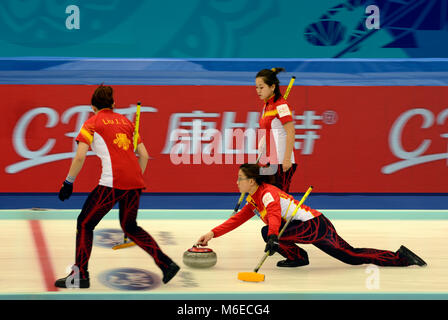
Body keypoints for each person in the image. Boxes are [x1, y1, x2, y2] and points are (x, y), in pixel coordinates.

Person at [55, 85, 180, 288]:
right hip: (135, 182)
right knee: (130, 227)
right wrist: (135, 179)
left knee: (85, 223)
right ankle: (167, 264)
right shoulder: (127, 122)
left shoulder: (91, 123)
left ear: (92, 106)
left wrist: (68, 182)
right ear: (114, 104)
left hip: (112, 182)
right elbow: (145, 155)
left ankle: (80, 275)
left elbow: (80, 157)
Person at [197, 163, 427, 268]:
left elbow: (275, 215)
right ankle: (298, 258)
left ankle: (401, 258)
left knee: (349, 255)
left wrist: (274, 236)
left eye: (240, 178)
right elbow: (236, 220)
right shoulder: (253, 199)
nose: (236, 182)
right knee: (350, 255)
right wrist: (211, 234)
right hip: (304, 226)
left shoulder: (267, 194)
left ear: (252, 181)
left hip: (315, 225)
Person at [255, 68, 297, 192]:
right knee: (261, 193)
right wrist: (262, 147)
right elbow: (268, 131)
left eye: (261, 87)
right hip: (270, 159)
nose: (258, 91)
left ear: (272, 87)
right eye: (256, 87)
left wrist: (287, 159)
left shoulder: (281, 105)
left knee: (278, 201)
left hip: (281, 161)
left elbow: (290, 131)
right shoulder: (266, 106)